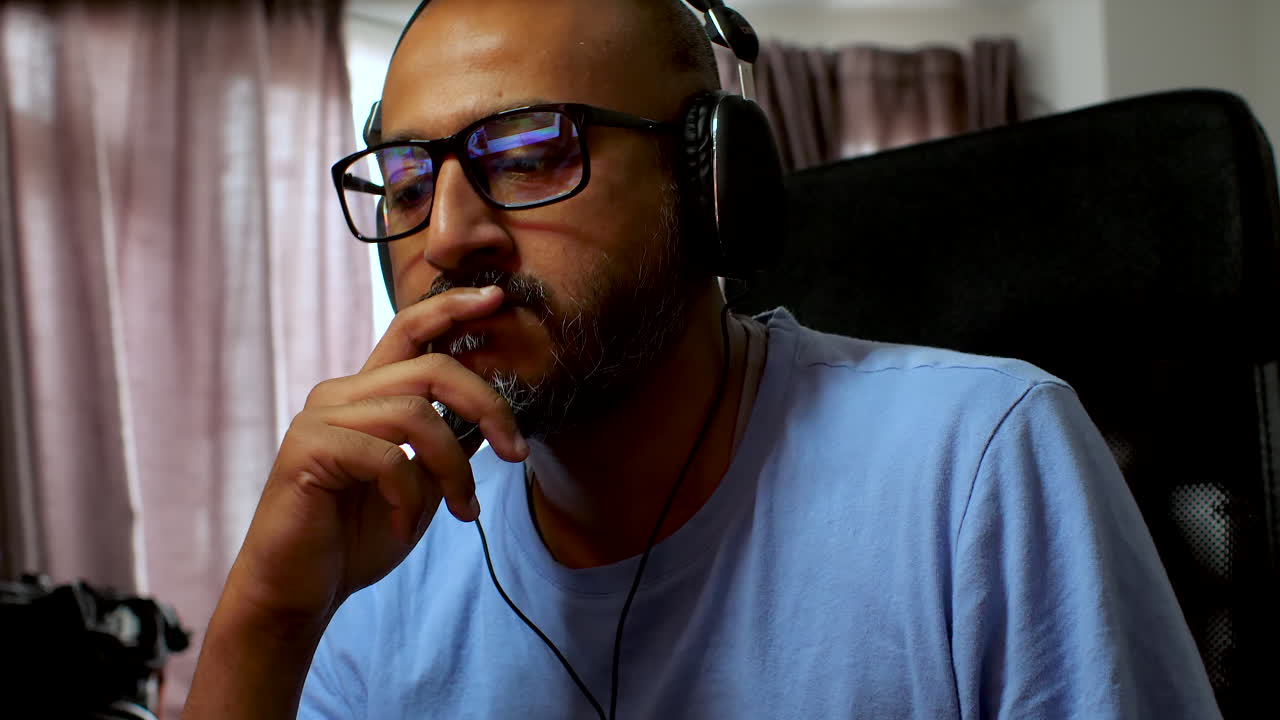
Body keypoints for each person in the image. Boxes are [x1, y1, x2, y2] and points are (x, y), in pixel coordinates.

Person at [183, 0, 1222, 718]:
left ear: (712, 187)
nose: (447, 234)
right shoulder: (385, 550)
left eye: (532, 151)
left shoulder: (977, 465)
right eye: (410, 181)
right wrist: (270, 618)